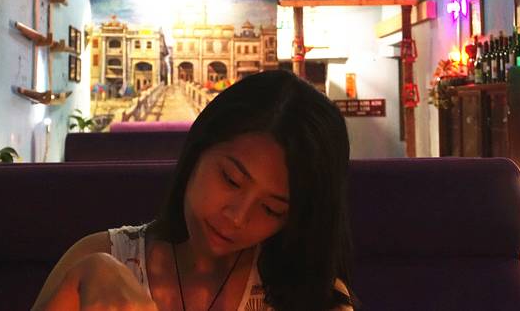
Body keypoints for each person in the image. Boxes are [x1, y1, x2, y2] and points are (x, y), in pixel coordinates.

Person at [33, 70, 355, 311]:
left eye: (271, 209)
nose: (237, 217)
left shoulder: (312, 296)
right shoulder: (98, 260)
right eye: (231, 179)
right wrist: (81, 278)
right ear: (198, 151)